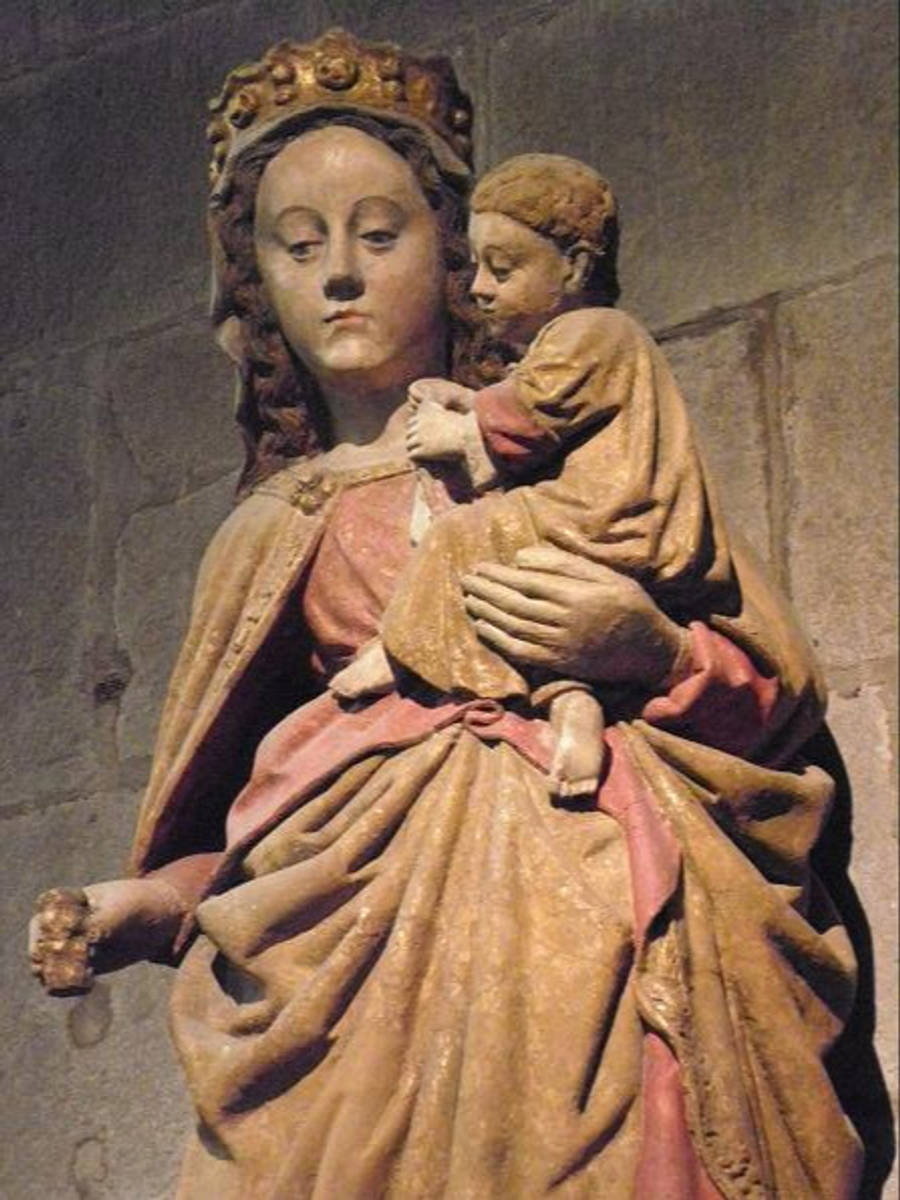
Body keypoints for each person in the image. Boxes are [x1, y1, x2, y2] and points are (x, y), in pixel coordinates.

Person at [28, 29, 862, 1200]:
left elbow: (772, 703)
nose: (341, 276)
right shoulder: (272, 530)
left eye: (380, 234)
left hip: (599, 936)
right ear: (253, 282)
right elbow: (242, 828)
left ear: (466, 256)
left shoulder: (575, 461)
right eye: (297, 244)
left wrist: (653, 651)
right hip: (348, 986)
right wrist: (147, 906)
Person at [331, 153, 734, 801]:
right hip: (589, 528)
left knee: (458, 539)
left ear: (573, 266)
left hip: (601, 518)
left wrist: (461, 431)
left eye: (504, 268)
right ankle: (571, 699)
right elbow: (538, 406)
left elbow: (532, 414)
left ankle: (401, 647)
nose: (479, 289)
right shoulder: (574, 345)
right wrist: (466, 405)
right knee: (516, 606)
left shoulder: (592, 331)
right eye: (475, 267)